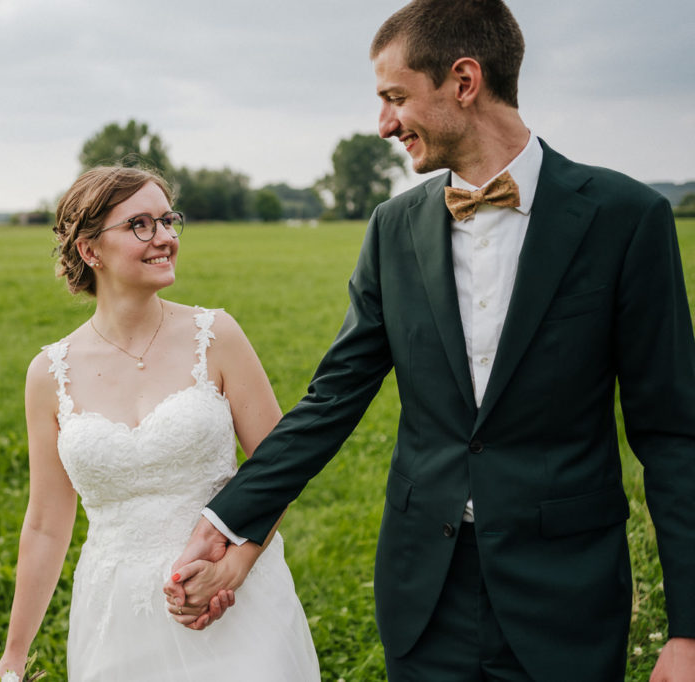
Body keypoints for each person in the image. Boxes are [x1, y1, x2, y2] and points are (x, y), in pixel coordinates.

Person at [166, 1, 695, 680]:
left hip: (566, 595)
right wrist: (229, 519)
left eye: (395, 98)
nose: (384, 124)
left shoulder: (628, 219)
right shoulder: (393, 228)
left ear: (464, 81)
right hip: (424, 593)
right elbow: (334, 398)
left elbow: (673, 434)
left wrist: (688, 629)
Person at [0, 166, 319, 682]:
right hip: (116, 615)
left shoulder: (217, 335)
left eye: (168, 221)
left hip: (235, 600)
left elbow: (280, 468)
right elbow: (46, 524)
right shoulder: (49, 374)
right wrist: (13, 656)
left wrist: (235, 566)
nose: (164, 237)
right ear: (89, 250)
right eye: (140, 224)